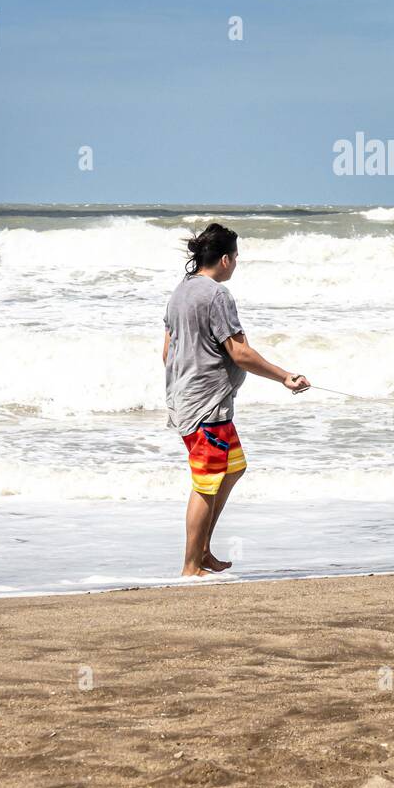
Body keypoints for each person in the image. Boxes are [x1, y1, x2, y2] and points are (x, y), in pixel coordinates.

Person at [163, 222, 309, 577]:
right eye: (237, 257)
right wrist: (285, 377)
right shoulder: (216, 295)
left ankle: (203, 551)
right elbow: (240, 352)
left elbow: (167, 352)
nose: (237, 263)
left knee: (234, 467)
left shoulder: (179, 293)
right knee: (206, 481)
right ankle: (189, 566)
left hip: (192, 401)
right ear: (226, 259)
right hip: (206, 406)